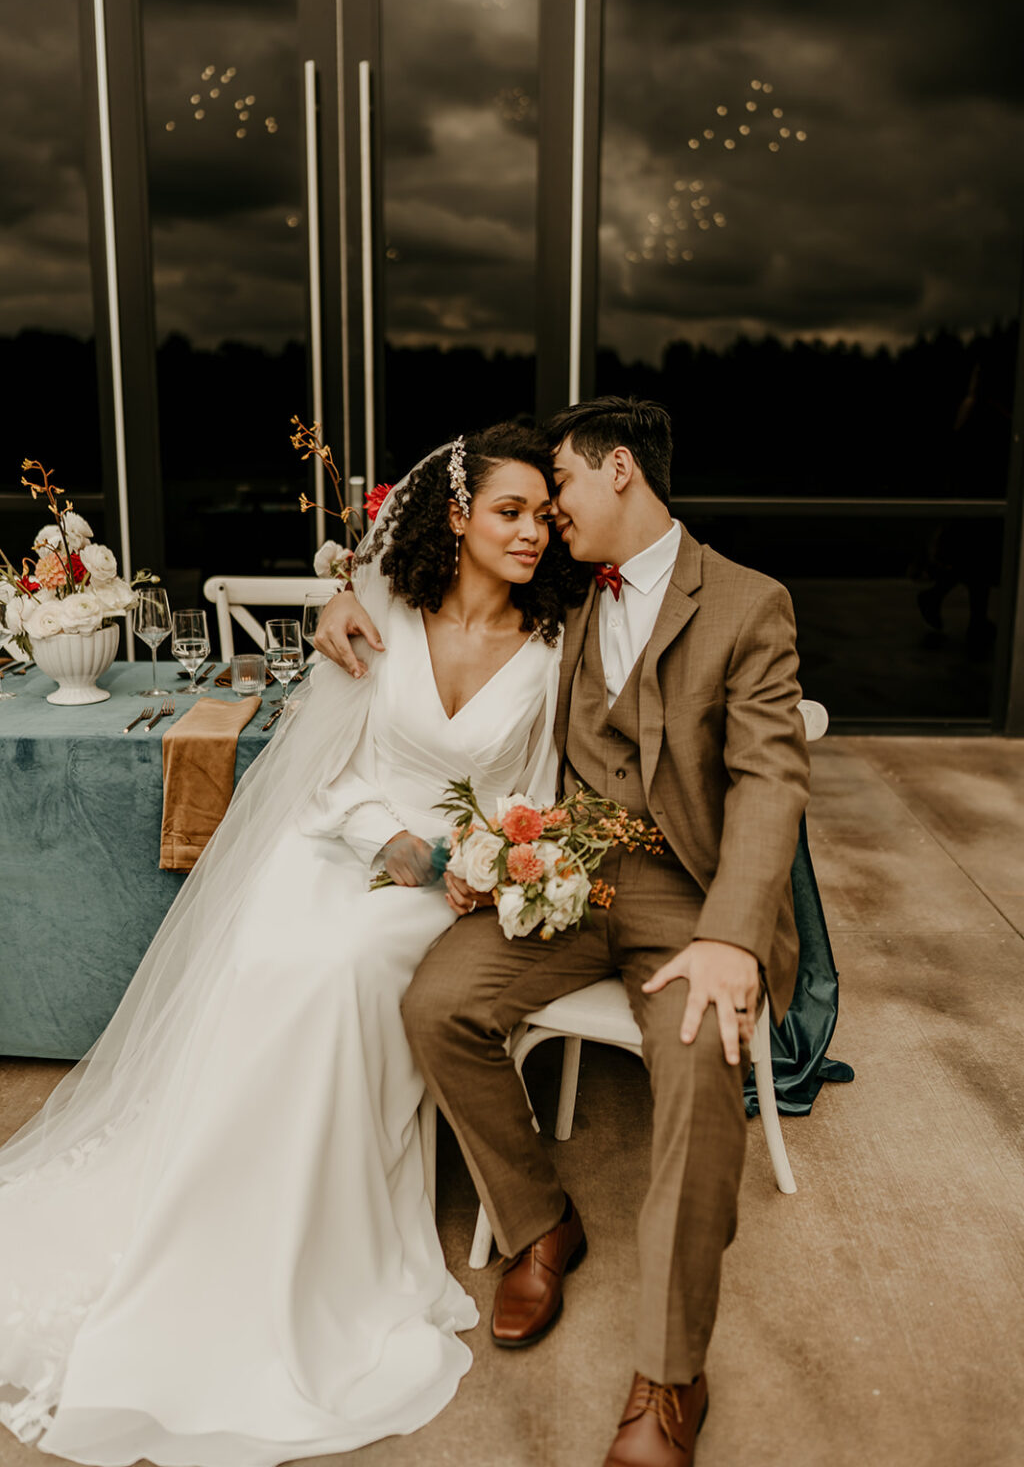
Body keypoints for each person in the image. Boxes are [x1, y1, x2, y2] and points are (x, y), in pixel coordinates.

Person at [0, 423, 587, 1466]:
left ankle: (305, 1251)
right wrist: (391, 842)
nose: (533, 532)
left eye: (544, 515)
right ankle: (201, 1209)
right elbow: (331, 776)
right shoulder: (383, 621)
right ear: (456, 516)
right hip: (346, 842)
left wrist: (492, 864)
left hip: (447, 885)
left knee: (340, 968)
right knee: (275, 952)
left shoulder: (551, 649)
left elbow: (533, 797)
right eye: (510, 510)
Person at [314, 396, 811, 1467]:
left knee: (694, 1062)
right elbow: (431, 578)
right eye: (530, 504)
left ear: (619, 469)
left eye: (563, 491)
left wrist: (732, 937)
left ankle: (670, 1379)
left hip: (693, 903)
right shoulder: (567, 599)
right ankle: (541, 1220)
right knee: (436, 1004)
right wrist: (333, 600)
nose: (547, 518)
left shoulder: (746, 602)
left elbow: (772, 779)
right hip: (575, 880)